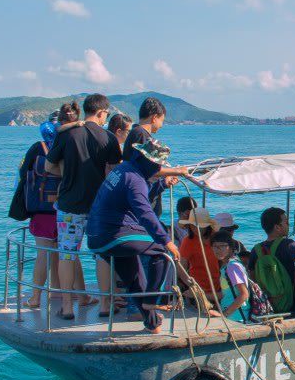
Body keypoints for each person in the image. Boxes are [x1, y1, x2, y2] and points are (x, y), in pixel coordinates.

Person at [86, 139, 185, 334]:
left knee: (135, 280)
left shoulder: (124, 170)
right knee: (163, 251)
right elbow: (145, 213)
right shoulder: (135, 180)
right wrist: (167, 241)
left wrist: (162, 185)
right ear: (146, 160)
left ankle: (152, 324)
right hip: (115, 234)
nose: (159, 168)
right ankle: (153, 300)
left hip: (96, 237)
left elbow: (139, 198)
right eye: (157, 164)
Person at [45, 94, 122, 319]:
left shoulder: (67, 135)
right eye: (106, 114)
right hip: (99, 206)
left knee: (67, 254)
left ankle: (68, 306)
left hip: (69, 205)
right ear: (100, 113)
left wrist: (68, 172)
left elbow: (49, 166)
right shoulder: (108, 138)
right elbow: (114, 171)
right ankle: (105, 305)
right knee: (102, 255)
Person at [12, 119, 61, 307]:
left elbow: (23, 175)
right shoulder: (65, 148)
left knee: (43, 255)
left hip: (42, 212)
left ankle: (35, 298)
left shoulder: (38, 148)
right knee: (61, 254)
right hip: (64, 210)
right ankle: (58, 291)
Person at [123, 97, 181, 217]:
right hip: (142, 199)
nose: (161, 125)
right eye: (162, 120)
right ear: (154, 117)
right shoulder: (141, 135)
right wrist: (179, 171)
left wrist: (164, 181)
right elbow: (151, 169)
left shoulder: (135, 132)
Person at [178, 208, 222, 304]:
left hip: (220, 287)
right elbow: (181, 269)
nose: (196, 229)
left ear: (208, 226)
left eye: (200, 226)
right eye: (193, 226)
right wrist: (193, 287)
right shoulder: (188, 242)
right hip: (199, 289)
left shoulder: (216, 238)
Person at [208, 229, 251, 321]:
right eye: (215, 246)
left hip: (237, 318)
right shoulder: (226, 266)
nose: (218, 250)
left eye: (222, 246)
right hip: (231, 316)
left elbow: (244, 294)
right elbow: (227, 293)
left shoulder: (232, 266)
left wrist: (223, 314)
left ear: (231, 248)